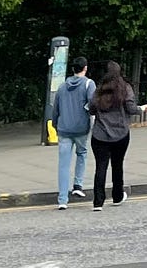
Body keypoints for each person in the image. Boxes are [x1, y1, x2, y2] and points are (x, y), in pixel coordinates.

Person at [90, 61, 138, 208]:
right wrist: (141, 109)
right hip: (120, 133)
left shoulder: (99, 90)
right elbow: (131, 108)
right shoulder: (125, 88)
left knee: (100, 167)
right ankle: (117, 196)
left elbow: (91, 109)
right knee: (117, 165)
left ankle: (98, 201)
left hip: (100, 135)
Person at [54, 55, 94, 209]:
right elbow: (93, 105)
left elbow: (56, 109)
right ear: (85, 68)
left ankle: (62, 200)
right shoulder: (89, 84)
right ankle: (78, 185)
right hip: (81, 128)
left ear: (72, 69)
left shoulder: (62, 86)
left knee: (63, 164)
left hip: (64, 129)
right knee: (82, 153)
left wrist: (57, 126)